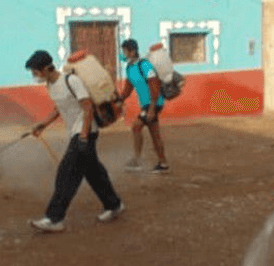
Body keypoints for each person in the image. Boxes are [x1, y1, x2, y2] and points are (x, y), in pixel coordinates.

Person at [26, 50, 124, 232]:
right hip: (77, 133)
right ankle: (114, 205)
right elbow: (59, 107)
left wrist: (84, 135)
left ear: (46, 69)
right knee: (94, 173)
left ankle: (54, 218)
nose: (34, 76)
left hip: (85, 132)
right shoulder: (50, 85)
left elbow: (87, 108)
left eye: (35, 72)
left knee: (66, 173)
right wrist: (43, 124)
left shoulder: (72, 81)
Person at [117, 39, 170, 174]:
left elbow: (154, 85)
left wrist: (152, 107)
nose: (123, 54)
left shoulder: (144, 65)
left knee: (136, 126)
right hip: (146, 105)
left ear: (132, 51)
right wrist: (120, 99)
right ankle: (162, 163)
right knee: (154, 133)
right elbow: (129, 88)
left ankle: (137, 160)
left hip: (154, 103)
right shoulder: (129, 67)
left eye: (125, 51)